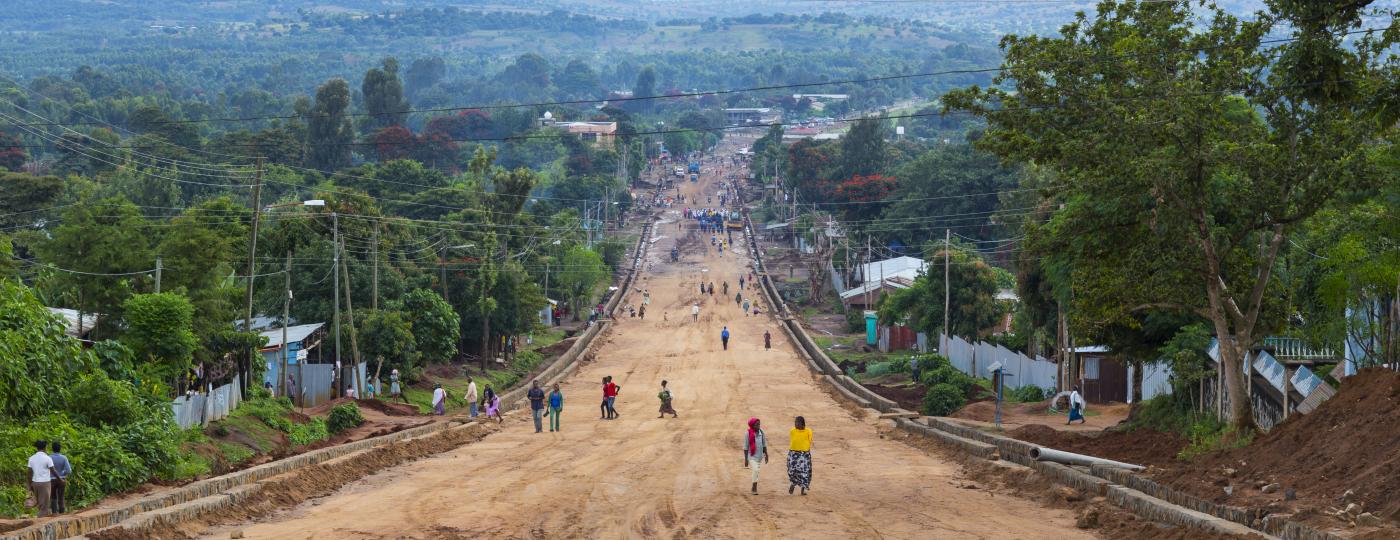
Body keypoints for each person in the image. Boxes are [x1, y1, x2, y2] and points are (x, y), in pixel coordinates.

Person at [27, 440, 56, 517]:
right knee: (44, 505)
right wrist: (60, 480)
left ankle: (39, 517)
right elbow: (53, 470)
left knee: (40, 504)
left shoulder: (31, 458)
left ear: (37, 448)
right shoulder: (47, 458)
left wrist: (30, 485)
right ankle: (40, 522)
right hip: (45, 483)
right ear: (45, 447)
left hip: (35, 483)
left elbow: (29, 473)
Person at [742, 418, 769, 495]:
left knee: (756, 471)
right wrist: (746, 459)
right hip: (751, 456)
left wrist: (766, 454)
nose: (758, 426)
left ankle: (754, 486)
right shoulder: (747, 433)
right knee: (756, 470)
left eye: (759, 424)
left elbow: (764, 445)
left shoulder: (761, 432)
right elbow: (745, 447)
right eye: (756, 425)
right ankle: (754, 487)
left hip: (759, 456)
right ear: (752, 425)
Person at [788, 416, 813, 495]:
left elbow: (809, 441)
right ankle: (793, 483)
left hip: (804, 454)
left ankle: (803, 489)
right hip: (793, 454)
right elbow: (793, 441)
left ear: (802, 424)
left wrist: (805, 450)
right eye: (795, 422)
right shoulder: (792, 431)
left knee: (805, 472)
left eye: (797, 422)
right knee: (792, 471)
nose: (795, 424)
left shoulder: (808, 431)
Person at [47, 441, 71, 514]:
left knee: (53, 496)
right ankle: (62, 513)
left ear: (52, 448)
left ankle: (54, 513)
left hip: (51, 480)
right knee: (61, 497)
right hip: (62, 479)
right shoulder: (64, 458)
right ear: (60, 449)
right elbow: (69, 470)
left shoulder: (49, 457)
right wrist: (63, 473)